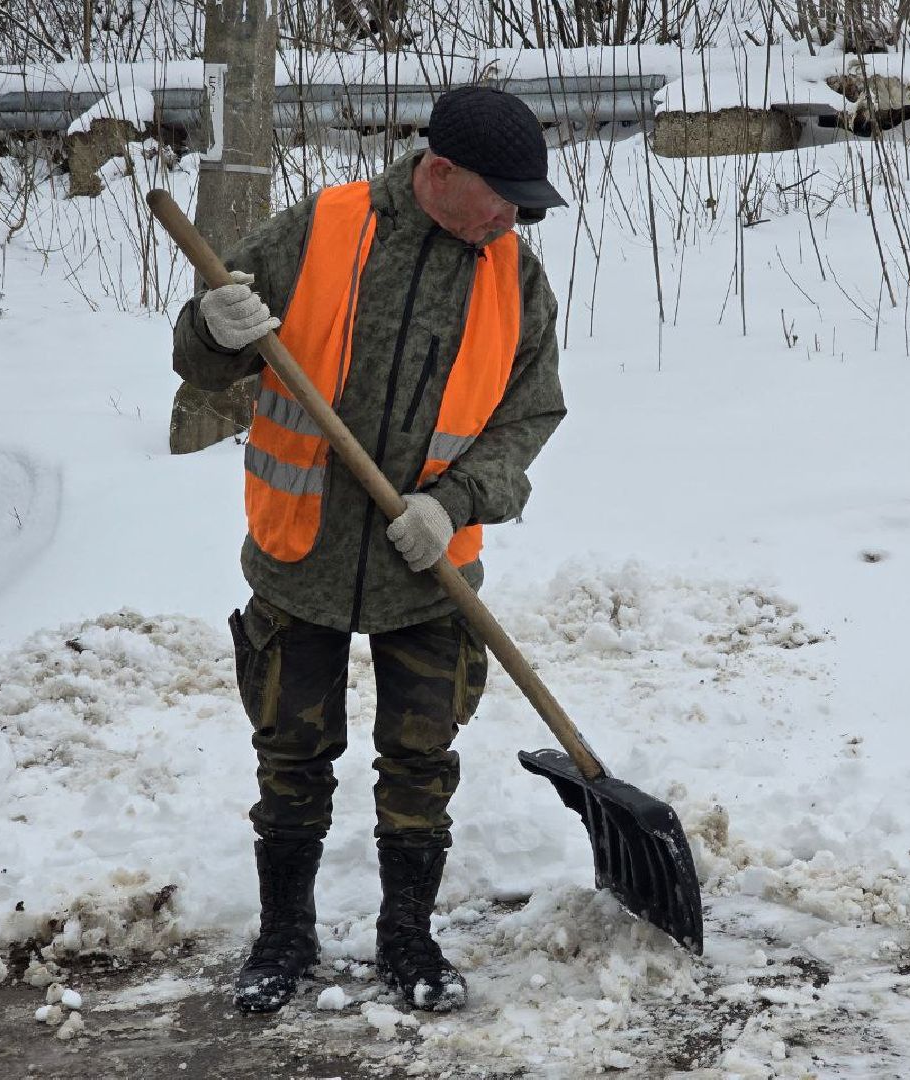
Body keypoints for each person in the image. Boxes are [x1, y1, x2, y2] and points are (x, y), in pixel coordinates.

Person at [170, 85, 568, 1014]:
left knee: (420, 762)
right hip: (300, 553)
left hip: (426, 568)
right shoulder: (321, 228)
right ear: (441, 172)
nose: (513, 219)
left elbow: (531, 415)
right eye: (502, 198)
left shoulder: (515, 276)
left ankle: (407, 935)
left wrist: (454, 502)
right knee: (291, 755)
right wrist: (212, 331)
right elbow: (211, 353)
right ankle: (283, 934)